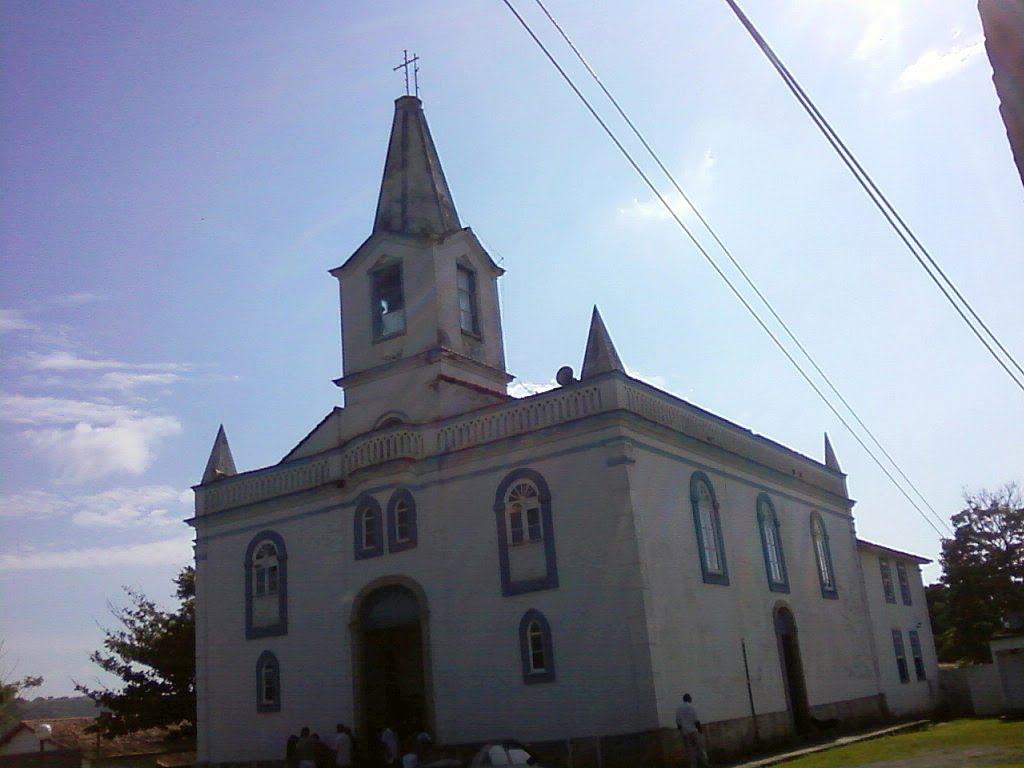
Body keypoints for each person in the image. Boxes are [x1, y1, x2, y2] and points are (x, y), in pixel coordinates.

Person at [675, 693, 711, 768]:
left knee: (690, 751)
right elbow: (696, 721)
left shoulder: (678, 709)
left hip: (685, 732)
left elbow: (678, 723)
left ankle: (693, 766)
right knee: (700, 749)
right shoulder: (692, 707)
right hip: (694, 731)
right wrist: (700, 731)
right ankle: (705, 764)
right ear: (689, 699)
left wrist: (681, 731)